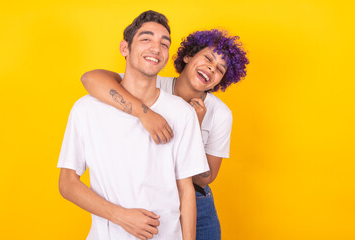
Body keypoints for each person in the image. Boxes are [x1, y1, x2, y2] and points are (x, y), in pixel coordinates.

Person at [81, 29, 249, 240]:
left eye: (220, 70)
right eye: (207, 58)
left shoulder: (221, 114)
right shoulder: (153, 84)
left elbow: (205, 179)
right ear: (188, 56)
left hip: (197, 204)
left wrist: (193, 130)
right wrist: (145, 113)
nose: (211, 68)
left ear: (220, 82)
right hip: (151, 199)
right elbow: (91, 79)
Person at [58, 10, 209, 240]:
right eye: (146, 39)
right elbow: (67, 183)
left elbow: (186, 190)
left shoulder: (182, 113)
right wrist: (120, 216)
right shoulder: (86, 109)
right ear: (124, 49)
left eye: (164, 43)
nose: (156, 48)